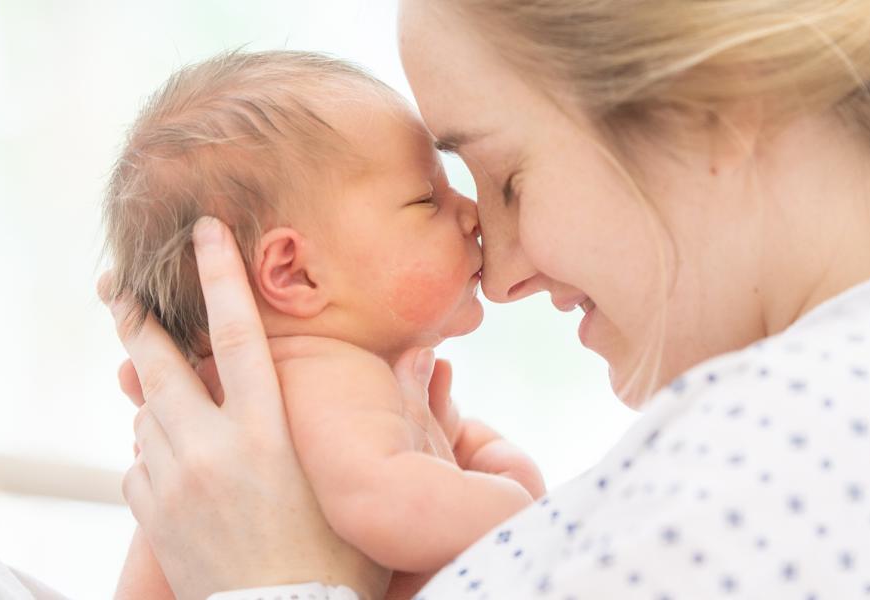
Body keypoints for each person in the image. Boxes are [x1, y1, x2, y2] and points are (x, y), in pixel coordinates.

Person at [106, 0, 870, 598]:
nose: (497, 271)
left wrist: (268, 585)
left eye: (509, 176)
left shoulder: (803, 461)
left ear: (710, 99)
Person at [102, 49, 542, 600]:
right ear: (294, 272)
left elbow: (410, 463)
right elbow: (387, 504)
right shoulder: (328, 379)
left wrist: (468, 452)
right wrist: (521, 505)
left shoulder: (276, 396)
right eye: (427, 198)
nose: (472, 211)